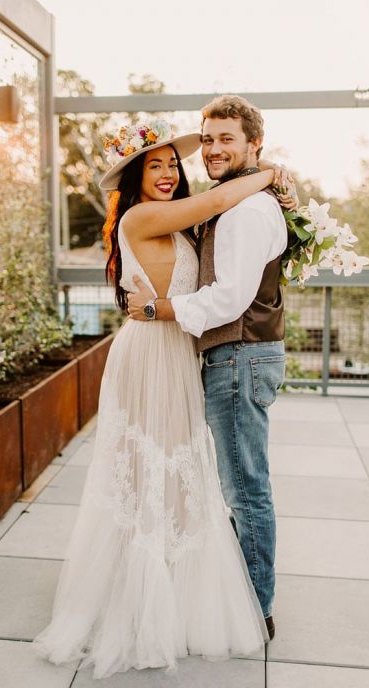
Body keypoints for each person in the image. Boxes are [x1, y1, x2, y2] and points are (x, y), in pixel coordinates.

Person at [34, 119, 281, 679]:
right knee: (147, 465)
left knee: (178, 469)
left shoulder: (184, 227)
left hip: (176, 351)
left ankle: (170, 587)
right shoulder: (142, 217)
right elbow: (220, 196)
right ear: (134, 177)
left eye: (173, 165)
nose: (168, 175)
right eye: (156, 166)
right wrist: (269, 173)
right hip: (147, 352)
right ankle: (136, 597)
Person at [127, 96, 296, 640]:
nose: (214, 149)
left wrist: (158, 309)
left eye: (227, 138)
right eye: (208, 138)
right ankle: (237, 594)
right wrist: (275, 178)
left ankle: (254, 609)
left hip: (238, 355)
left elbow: (226, 301)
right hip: (231, 356)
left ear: (253, 143)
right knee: (228, 482)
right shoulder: (231, 202)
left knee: (244, 489)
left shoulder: (246, 209)